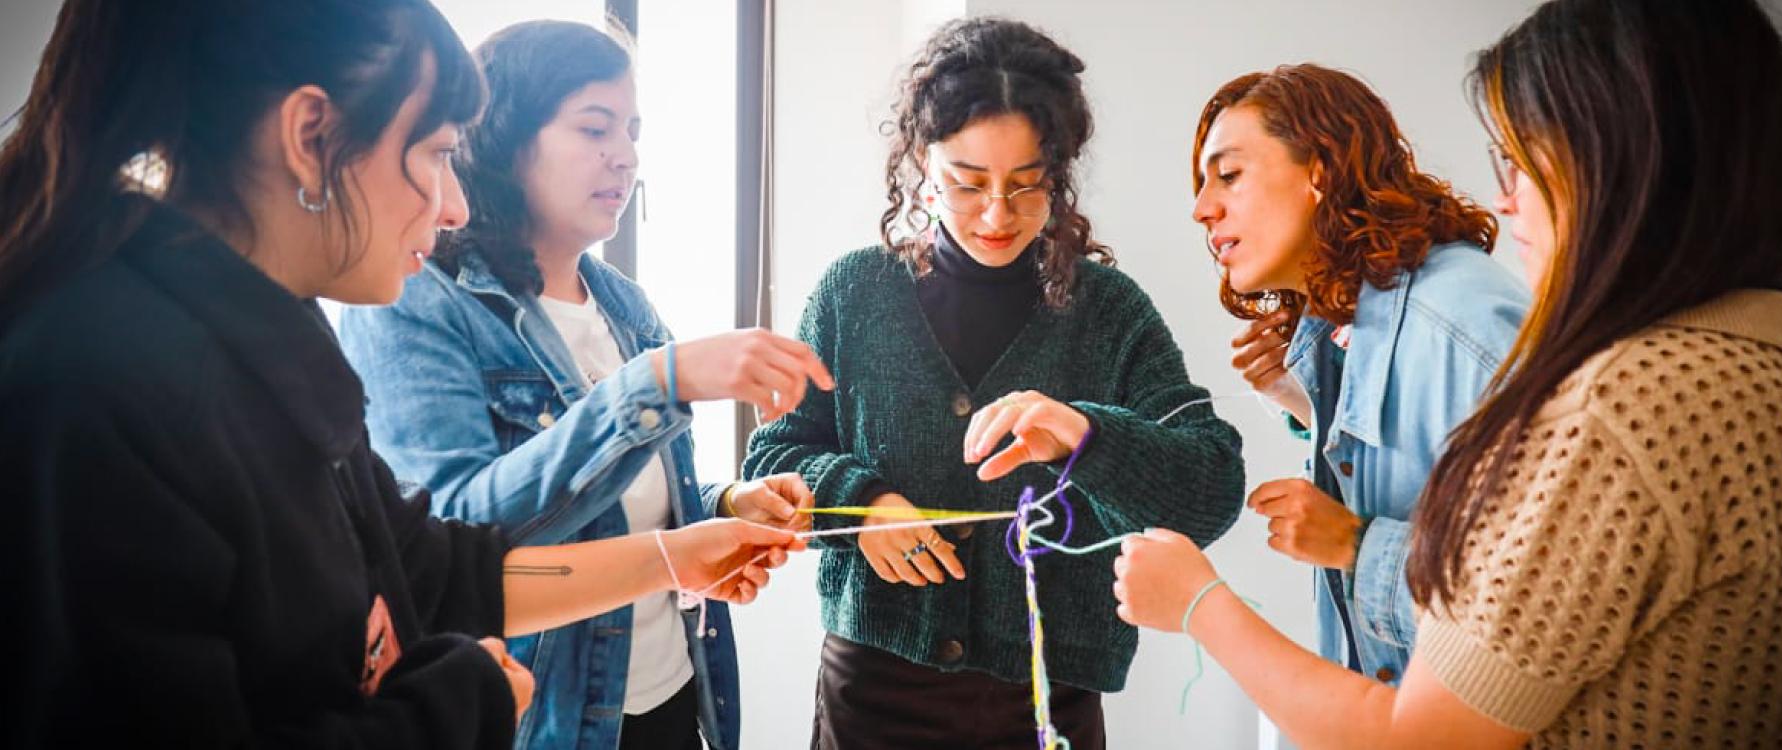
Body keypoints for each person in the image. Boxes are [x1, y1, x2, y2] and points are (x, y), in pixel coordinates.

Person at [0, 2, 800, 747]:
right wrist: (461, 701)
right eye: (437, 154)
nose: (453, 205)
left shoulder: (271, 336)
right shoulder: (102, 383)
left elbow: (434, 570)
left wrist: (682, 550)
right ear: (311, 135)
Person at [1113, 0, 1782, 747]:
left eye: (1519, 157)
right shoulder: (1771, 366)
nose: (1507, 198)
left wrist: (1201, 604)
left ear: (1621, 153)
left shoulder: (1613, 400)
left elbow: (1425, 731)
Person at [742, 17, 1244, 749]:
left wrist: (1086, 436)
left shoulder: (1109, 313)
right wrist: (861, 504)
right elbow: (772, 460)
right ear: (922, 162)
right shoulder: (854, 295)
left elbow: (1212, 490)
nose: (997, 215)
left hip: (1046, 706)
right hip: (873, 699)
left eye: (1027, 185)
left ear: (1061, 171)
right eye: (966, 183)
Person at [337, 20, 828, 750]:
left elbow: (623, 503)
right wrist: (659, 382)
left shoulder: (624, 304)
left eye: (632, 131)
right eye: (595, 129)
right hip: (544, 722)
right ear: (503, 138)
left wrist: (723, 506)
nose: (626, 158)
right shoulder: (420, 298)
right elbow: (450, 551)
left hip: (674, 699)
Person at [1191, 63, 1527, 684]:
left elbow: (1543, 600)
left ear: (1319, 170)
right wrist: (1305, 404)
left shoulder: (1466, 326)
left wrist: (1355, 545)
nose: (1202, 209)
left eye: (1229, 176)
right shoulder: (1343, 323)